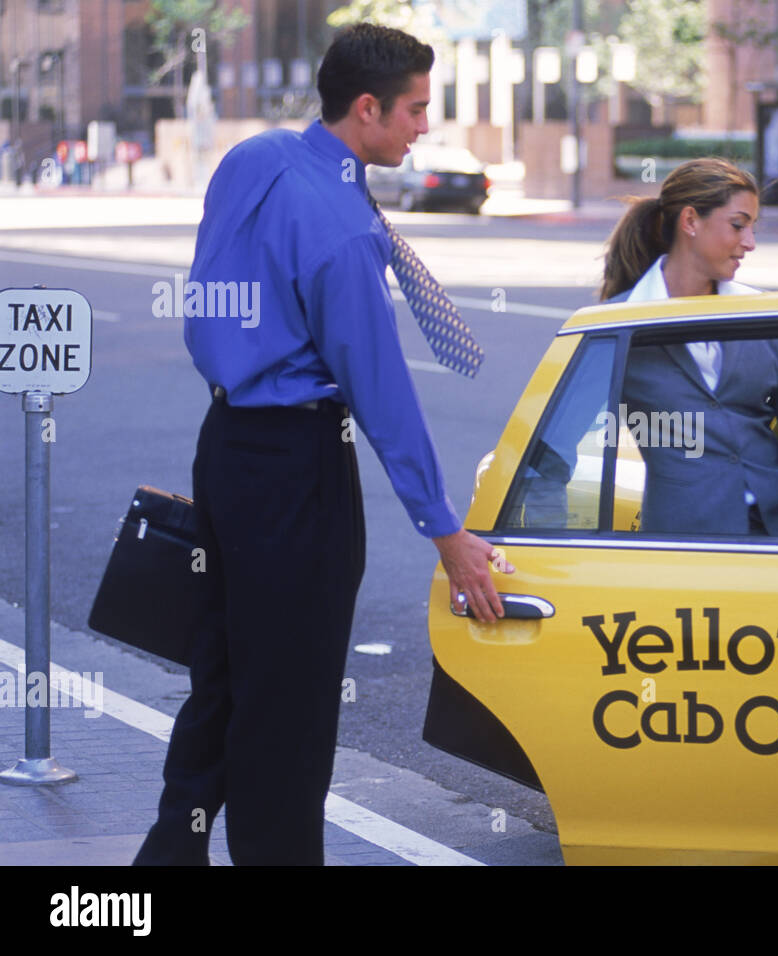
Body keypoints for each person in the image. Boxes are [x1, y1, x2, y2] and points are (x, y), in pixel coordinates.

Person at [134, 23, 512, 866]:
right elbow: (383, 394)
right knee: (294, 702)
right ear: (367, 107)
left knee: (223, 671)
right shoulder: (343, 230)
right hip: (299, 467)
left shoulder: (252, 159)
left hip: (227, 441)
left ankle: (168, 858)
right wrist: (447, 532)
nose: (423, 127)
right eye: (414, 110)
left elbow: (215, 293)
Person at [599, 157, 778, 538]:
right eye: (738, 225)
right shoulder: (619, 324)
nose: (750, 243)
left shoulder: (764, 314)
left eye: (751, 228)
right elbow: (560, 444)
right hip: (689, 535)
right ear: (690, 221)